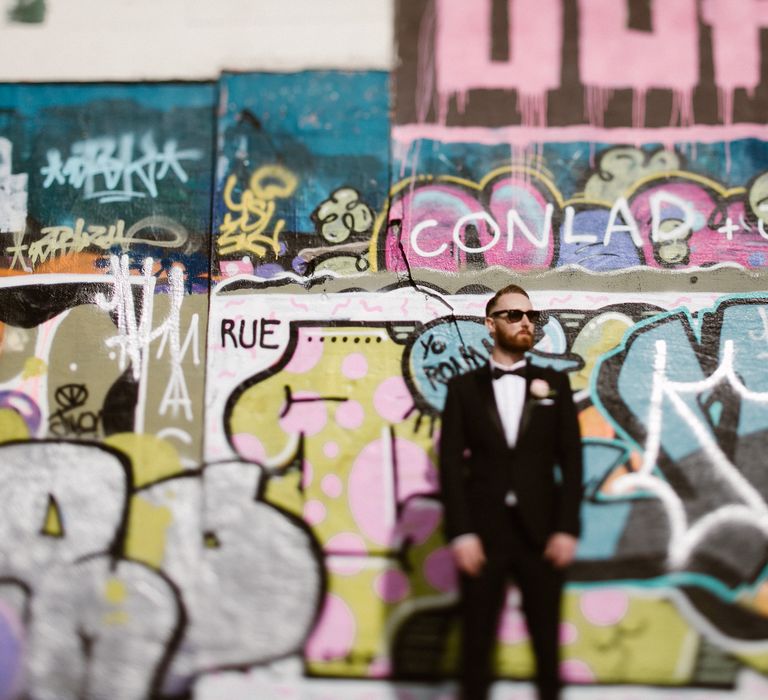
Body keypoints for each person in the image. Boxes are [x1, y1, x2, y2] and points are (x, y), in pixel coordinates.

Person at [439, 283, 583, 700]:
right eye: (513, 315)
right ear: (490, 324)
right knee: (476, 647)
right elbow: (449, 463)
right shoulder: (463, 389)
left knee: (546, 649)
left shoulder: (553, 383)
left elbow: (571, 461)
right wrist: (462, 532)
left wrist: (567, 528)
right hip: (482, 534)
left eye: (530, 316)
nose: (525, 323)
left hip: (542, 533)